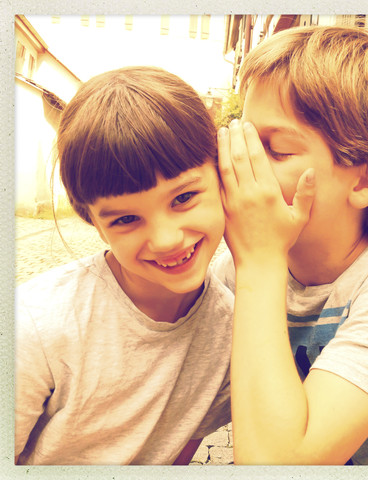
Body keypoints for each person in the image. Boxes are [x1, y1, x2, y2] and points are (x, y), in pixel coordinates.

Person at [214, 25, 368, 465]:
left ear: (366, 178)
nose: (239, 161)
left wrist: (259, 261)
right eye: (245, 138)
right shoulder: (234, 273)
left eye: (275, 148)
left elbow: (277, 463)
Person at [15, 66, 233, 465]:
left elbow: (180, 451)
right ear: (94, 223)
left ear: (222, 176)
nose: (166, 239)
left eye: (183, 198)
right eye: (126, 219)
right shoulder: (35, 326)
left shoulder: (234, 328)